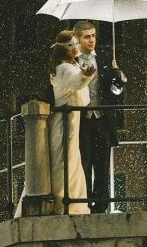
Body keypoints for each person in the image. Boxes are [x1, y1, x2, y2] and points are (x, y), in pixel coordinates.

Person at [73, 20, 127, 213]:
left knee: (102, 165)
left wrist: (118, 79)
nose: (92, 40)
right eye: (87, 36)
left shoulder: (105, 59)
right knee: (84, 163)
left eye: (94, 35)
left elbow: (115, 94)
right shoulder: (72, 62)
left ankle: (101, 205)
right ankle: (85, 203)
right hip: (81, 121)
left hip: (102, 120)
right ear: (77, 39)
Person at [48, 30, 96, 214]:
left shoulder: (68, 65)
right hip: (65, 119)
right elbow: (75, 83)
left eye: (76, 43)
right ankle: (63, 201)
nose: (76, 47)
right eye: (71, 45)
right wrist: (86, 76)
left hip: (72, 116)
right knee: (65, 158)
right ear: (63, 49)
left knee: (71, 158)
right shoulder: (63, 68)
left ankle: (71, 200)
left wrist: (84, 74)